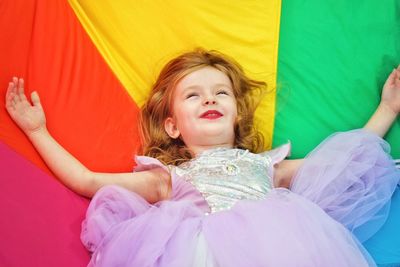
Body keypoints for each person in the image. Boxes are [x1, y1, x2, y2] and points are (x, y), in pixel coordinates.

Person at [5, 49, 400, 267]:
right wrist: (37, 131)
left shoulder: (267, 167)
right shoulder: (168, 178)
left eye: (220, 92)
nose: (209, 98)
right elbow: (88, 181)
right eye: (193, 95)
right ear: (173, 126)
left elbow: (342, 161)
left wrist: (388, 109)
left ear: (238, 114)